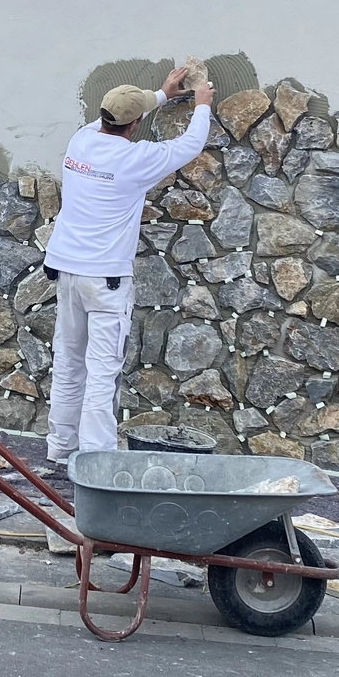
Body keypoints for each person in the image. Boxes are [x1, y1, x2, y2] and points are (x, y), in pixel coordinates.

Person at [43, 67, 216, 461]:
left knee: (69, 364)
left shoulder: (81, 141)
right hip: (105, 281)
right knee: (102, 373)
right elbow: (188, 146)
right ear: (135, 124)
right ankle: (97, 460)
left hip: (66, 270)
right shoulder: (136, 159)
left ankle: (60, 450)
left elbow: (121, 116)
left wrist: (161, 94)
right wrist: (201, 105)